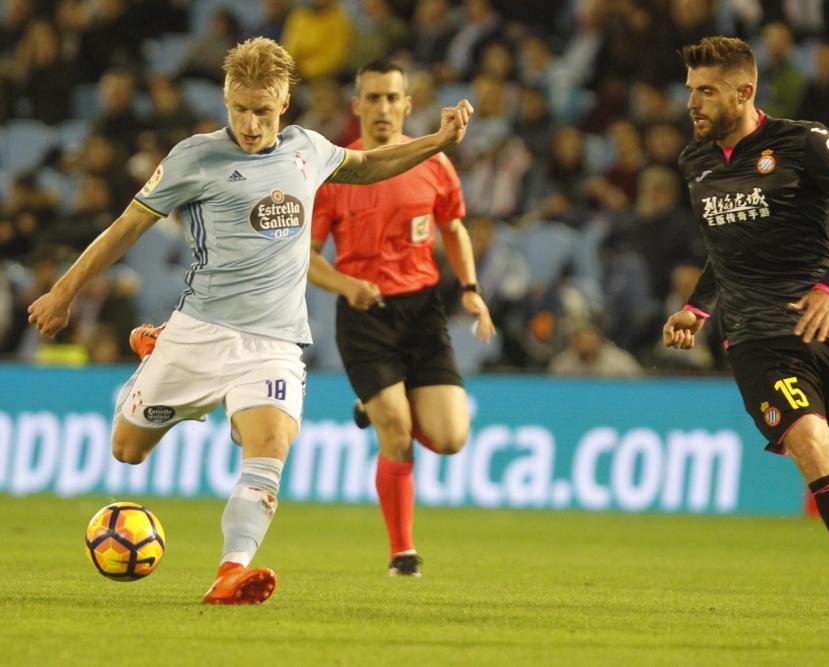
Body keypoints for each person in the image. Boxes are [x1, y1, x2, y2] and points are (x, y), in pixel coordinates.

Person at [27, 38, 474, 604]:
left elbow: (367, 166)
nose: (252, 123)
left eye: (263, 110)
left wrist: (437, 142)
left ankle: (230, 571)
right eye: (241, 109)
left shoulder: (308, 150)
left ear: (284, 103)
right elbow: (125, 228)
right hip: (199, 331)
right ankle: (156, 349)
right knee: (127, 451)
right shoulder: (194, 157)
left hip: (274, 340)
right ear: (226, 99)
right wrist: (63, 292)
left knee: (269, 445)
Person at [662, 36, 829, 619]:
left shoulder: (803, 142)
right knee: (810, 445)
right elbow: (724, 247)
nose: (694, 104)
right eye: (691, 92)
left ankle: (806, 426)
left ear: (745, 92)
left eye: (707, 92)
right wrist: (699, 307)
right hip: (755, 338)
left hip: (828, 323)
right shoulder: (695, 162)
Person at [309, 60, 495, 577]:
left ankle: (378, 403)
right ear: (357, 105)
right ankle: (402, 553)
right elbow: (306, 255)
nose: (383, 108)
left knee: (452, 439)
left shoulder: (434, 164)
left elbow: (454, 228)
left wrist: (473, 290)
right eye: (373, 98)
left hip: (421, 312)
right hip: (364, 313)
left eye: (393, 98)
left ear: (408, 104)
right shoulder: (338, 171)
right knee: (397, 433)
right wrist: (347, 285)